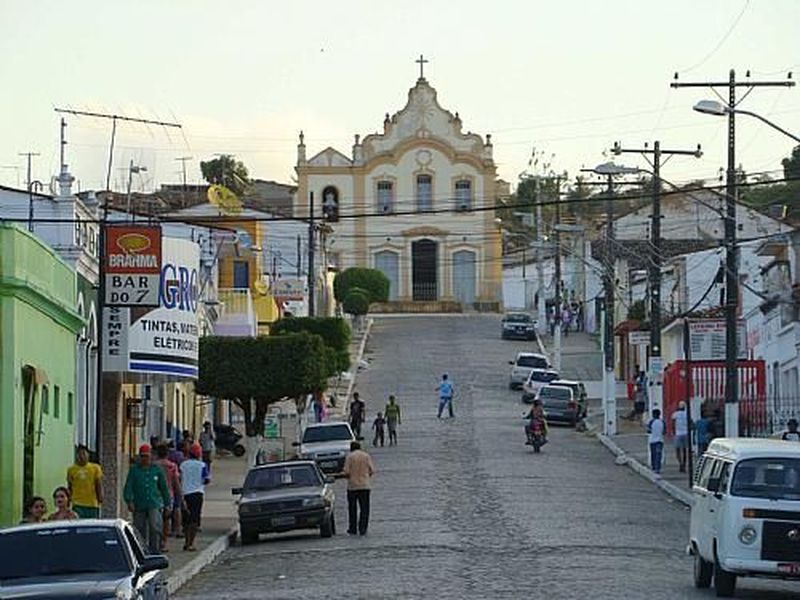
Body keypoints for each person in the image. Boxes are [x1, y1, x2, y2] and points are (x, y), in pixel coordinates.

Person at [123, 444, 171, 554]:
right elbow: (128, 486)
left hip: (154, 503)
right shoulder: (134, 470)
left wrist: (167, 504)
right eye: (143, 456)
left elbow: (163, 488)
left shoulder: (156, 470)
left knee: (155, 526)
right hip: (139, 503)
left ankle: (155, 550)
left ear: (151, 457)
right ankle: (141, 550)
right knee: (139, 528)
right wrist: (129, 500)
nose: (145, 459)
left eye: (147, 456)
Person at [340, 441, 375, 536]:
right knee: (365, 508)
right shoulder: (366, 456)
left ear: (351, 448)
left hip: (352, 486)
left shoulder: (350, 457)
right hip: (365, 485)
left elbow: (346, 471)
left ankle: (353, 528)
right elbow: (372, 470)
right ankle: (363, 528)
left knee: (352, 508)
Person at [180, 443, 210, 552]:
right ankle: (191, 543)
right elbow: (206, 479)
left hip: (185, 493)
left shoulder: (183, 464)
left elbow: (180, 478)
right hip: (197, 493)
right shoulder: (202, 465)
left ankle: (186, 542)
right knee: (194, 520)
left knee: (186, 520)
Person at [155, 443, 182, 551]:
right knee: (166, 520)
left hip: (155, 495)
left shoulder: (153, 465)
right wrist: (180, 495)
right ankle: (163, 542)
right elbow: (176, 482)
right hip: (168, 495)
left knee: (155, 520)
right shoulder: (172, 466)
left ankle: (155, 541)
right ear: (167, 454)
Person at [67, 444, 103, 519]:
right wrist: (68, 500)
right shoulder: (71, 470)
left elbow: (98, 483)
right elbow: (69, 486)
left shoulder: (95, 468)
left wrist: (100, 497)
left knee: (92, 524)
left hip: (92, 504)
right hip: (77, 504)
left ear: (88, 455)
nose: (81, 456)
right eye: (79, 454)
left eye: (84, 453)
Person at [671, 401, 689, 472]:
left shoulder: (675, 414)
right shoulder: (687, 414)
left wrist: (674, 432)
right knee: (684, 450)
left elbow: (673, 424)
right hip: (686, 433)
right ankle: (684, 464)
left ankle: (680, 463)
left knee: (677, 450)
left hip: (678, 434)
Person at [647, 409, 666, 475]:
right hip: (660, 440)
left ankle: (654, 467)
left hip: (652, 440)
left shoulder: (651, 422)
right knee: (658, 454)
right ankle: (658, 468)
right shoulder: (662, 421)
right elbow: (664, 432)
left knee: (653, 454)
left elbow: (648, 431)